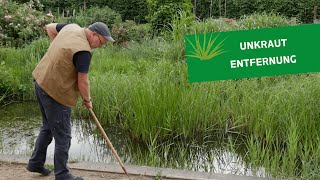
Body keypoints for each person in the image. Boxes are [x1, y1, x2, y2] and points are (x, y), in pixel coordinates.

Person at [26, 22, 115, 180]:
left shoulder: (71, 27)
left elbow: (50, 27)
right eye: (101, 42)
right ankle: (62, 175)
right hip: (55, 92)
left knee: (47, 127)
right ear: (93, 34)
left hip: (40, 81)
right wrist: (88, 100)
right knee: (64, 136)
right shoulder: (83, 52)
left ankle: (35, 163)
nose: (100, 46)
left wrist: (59, 52)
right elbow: (83, 82)